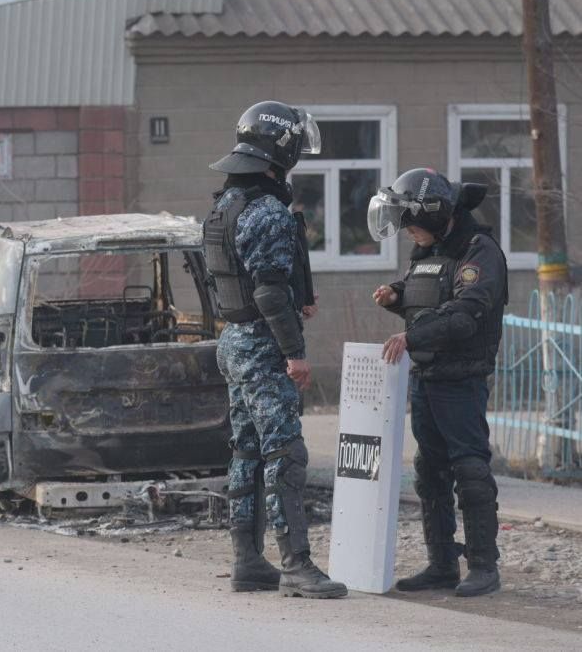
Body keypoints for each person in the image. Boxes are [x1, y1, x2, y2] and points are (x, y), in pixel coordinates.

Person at [204, 101, 346, 598]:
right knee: (285, 452)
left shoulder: (224, 205)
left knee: (246, 450)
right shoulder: (267, 212)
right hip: (264, 348)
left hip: (234, 341)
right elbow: (266, 289)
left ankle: (247, 561)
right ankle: (296, 565)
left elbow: (242, 283)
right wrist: (294, 352)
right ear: (279, 152)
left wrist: (289, 300)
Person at [369, 168, 507, 597]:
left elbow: (463, 316)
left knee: (469, 469)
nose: (408, 232)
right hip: (426, 378)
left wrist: (409, 336)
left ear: (433, 215)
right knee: (430, 472)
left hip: (460, 380)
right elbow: (427, 300)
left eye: (411, 222)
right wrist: (396, 297)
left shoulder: (478, 250)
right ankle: (441, 564)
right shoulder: (426, 251)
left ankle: (484, 567)